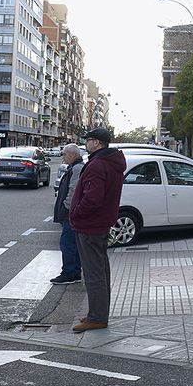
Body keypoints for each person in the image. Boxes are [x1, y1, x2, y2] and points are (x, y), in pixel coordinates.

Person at [68, 128, 126, 333]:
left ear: (98, 143)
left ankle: (97, 317)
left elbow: (93, 198)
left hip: (90, 225)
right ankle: (98, 314)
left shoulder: (98, 164)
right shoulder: (110, 162)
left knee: (94, 274)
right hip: (100, 224)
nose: (86, 143)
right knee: (101, 271)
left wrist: (75, 212)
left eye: (89, 140)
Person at [50, 144, 84, 285]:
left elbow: (73, 190)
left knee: (67, 243)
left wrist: (66, 207)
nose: (63, 157)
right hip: (72, 212)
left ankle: (69, 272)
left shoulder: (76, 168)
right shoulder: (75, 167)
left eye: (64, 154)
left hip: (71, 213)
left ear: (72, 154)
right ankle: (75, 272)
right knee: (73, 243)